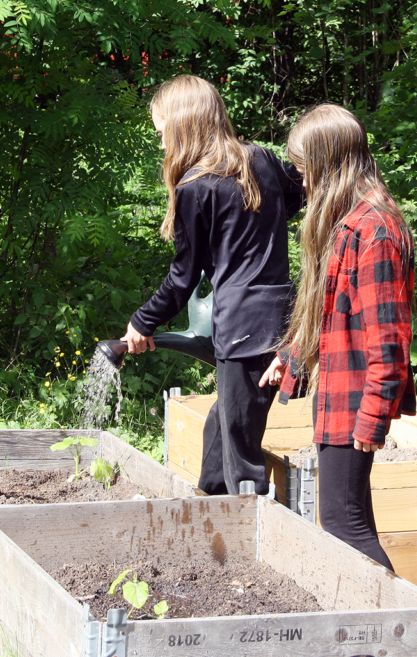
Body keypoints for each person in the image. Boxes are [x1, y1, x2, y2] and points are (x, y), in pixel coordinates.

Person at [122, 75, 304, 496]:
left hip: (241, 327)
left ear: (183, 126)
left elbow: (183, 277)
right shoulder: (260, 158)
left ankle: (246, 545)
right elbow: (294, 199)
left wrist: (142, 322)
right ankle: (207, 513)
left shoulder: (194, 187)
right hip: (277, 314)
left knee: (242, 461)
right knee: (220, 429)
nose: (162, 144)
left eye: (162, 132)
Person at [260, 104, 416, 571]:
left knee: (345, 524)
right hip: (338, 391)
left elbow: (389, 345)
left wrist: (372, 420)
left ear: (330, 165)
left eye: (306, 170)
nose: (303, 183)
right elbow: (329, 308)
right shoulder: (352, 223)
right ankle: (383, 632)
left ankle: (401, 631)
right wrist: (292, 355)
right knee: (348, 521)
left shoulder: (376, 232)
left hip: (355, 402)